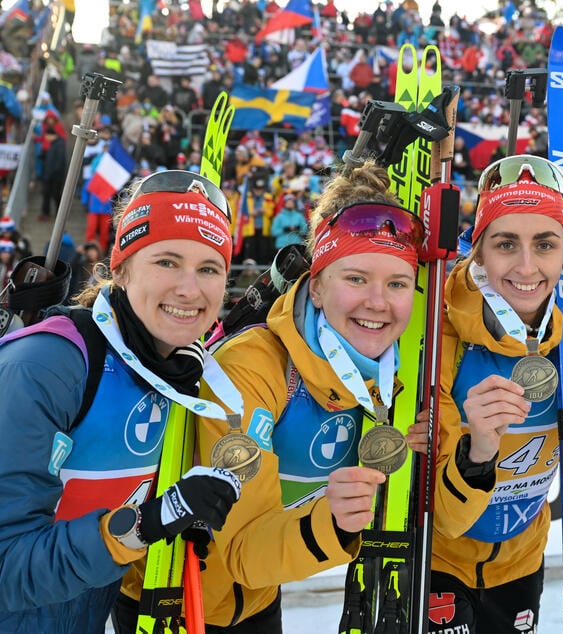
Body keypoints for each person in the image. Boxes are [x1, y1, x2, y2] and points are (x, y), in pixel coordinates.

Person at [0, 170, 244, 632]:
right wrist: (146, 523)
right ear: (121, 267)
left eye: (209, 268)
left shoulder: (176, 372)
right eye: (167, 262)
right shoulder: (46, 365)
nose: (189, 289)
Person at [405, 155, 563, 631]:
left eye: (545, 244)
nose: (527, 267)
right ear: (478, 251)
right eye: (505, 244)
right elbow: (449, 520)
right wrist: (478, 451)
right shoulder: (436, 331)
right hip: (436, 557)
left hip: (522, 560)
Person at [184, 161, 417, 630]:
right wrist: (331, 522)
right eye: (355, 278)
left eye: (397, 284)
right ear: (315, 287)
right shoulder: (252, 367)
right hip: (180, 597)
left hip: (260, 599)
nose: (378, 301)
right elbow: (242, 551)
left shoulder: (394, 372)